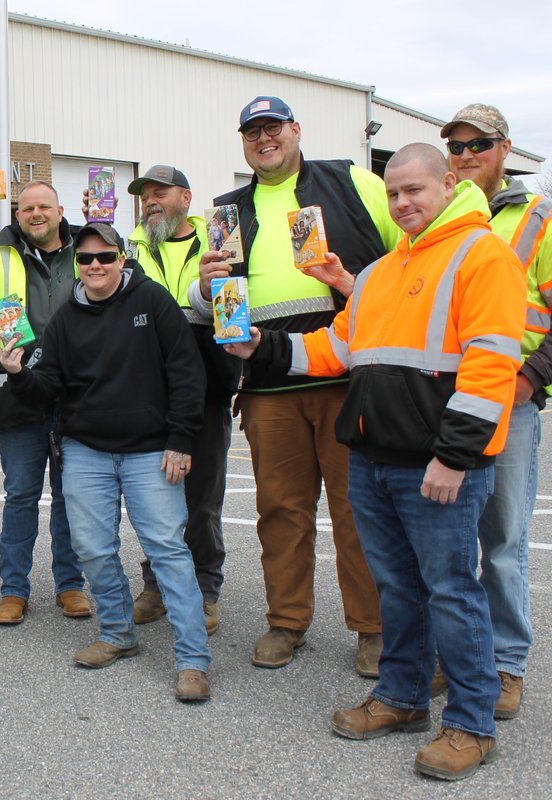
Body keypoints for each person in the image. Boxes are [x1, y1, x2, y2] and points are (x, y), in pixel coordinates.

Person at [227, 143, 524, 781]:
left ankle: (470, 725)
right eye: (393, 194)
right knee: (397, 590)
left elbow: (492, 362)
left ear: (449, 184)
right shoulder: (385, 271)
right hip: (373, 456)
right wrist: (262, 347)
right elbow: (338, 347)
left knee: (452, 591)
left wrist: (455, 456)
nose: (402, 203)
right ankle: (401, 698)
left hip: (439, 464)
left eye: (414, 190)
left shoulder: (482, 255)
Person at [191, 96, 399, 674]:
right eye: (252, 132)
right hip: (265, 381)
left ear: (295, 130)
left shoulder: (351, 180)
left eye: (273, 128)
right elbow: (200, 300)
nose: (264, 139)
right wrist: (207, 291)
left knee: (358, 511)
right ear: (243, 142)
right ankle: (286, 622)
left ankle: (374, 629)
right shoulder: (227, 210)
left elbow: (408, 254)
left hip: (344, 375)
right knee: (280, 510)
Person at [0, 223, 212, 701]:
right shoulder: (66, 320)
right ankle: (118, 635)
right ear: (77, 263)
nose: (95, 266)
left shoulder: (152, 301)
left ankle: (193, 660)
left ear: (121, 259)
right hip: (86, 450)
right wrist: (16, 374)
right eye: (86, 259)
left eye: (105, 257)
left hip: (152, 450)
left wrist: (181, 439)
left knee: (167, 550)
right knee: (93, 548)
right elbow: (47, 384)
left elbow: (185, 372)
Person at [86, 165, 240, 634]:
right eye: (145, 194)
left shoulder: (220, 241)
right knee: (158, 496)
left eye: (161, 192)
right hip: (145, 387)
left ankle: (205, 588)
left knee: (203, 494)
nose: (151, 200)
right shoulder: (127, 246)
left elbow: (235, 300)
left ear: (186, 198)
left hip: (207, 384)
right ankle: (155, 584)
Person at [440, 103, 552, 719]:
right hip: (442, 400)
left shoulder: (536, 217)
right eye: (454, 146)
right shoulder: (435, 218)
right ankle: (455, 656)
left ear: (505, 148)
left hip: (508, 400)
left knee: (502, 540)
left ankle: (507, 663)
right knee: (446, 542)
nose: (464, 155)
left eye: (477, 144)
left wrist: (532, 378)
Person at [0, 181, 90, 625]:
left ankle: (70, 585)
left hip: (76, 390)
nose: (35, 214)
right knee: (21, 495)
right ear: (17, 214)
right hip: (14, 386)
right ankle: (13, 590)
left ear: (60, 210)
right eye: (27, 208)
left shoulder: (88, 247)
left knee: (72, 496)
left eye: (44, 206)